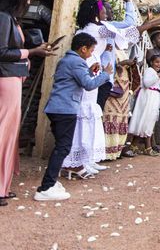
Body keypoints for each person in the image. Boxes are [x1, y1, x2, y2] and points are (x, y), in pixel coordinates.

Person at [63, 0, 160, 176]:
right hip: (91, 70)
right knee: (86, 116)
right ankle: (76, 163)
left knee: (90, 116)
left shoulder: (89, 28)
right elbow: (124, 34)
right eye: (102, 9)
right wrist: (149, 25)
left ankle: (85, 160)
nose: (106, 13)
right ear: (95, 12)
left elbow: (122, 34)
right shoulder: (97, 29)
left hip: (93, 69)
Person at [34, 33, 112, 200]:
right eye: (91, 50)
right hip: (65, 109)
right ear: (83, 49)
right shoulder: (76, 62)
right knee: (62, 148)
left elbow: (77, 80)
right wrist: (105, 74)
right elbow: (89, 85)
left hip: (57, 108)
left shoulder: (68, 60)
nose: (91, 54)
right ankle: (46, 187)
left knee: (61, 147)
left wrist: (90, 72)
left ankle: (51, 182)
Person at [0, 0, 55, 206]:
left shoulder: (10, 18)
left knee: (9, 133)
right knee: (3, 133)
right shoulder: (3, 18)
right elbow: (2, 52)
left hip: (12, 79)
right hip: (6, 81)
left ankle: (3, 185)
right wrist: (30, 53)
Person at [102, 52, 138, 160]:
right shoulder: (109, 49)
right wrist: (122, 63)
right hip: (113, 87)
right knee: (109, 118)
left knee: (121, 119)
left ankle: (117, 151)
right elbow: (106, 66)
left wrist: (132, 64)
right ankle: (105, 152)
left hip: (124, 88)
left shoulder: (124, 50)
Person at [128, 54, 160, 156]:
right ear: (151, 62)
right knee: (146, 120)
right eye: (156, 62)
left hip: (152, 98)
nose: (159, 64)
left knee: (148, 120)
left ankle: (134, 146)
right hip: (148, 98)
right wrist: (157, 76)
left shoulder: (154, 72)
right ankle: (147, 147)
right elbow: (147, 83)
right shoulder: (149, 71)